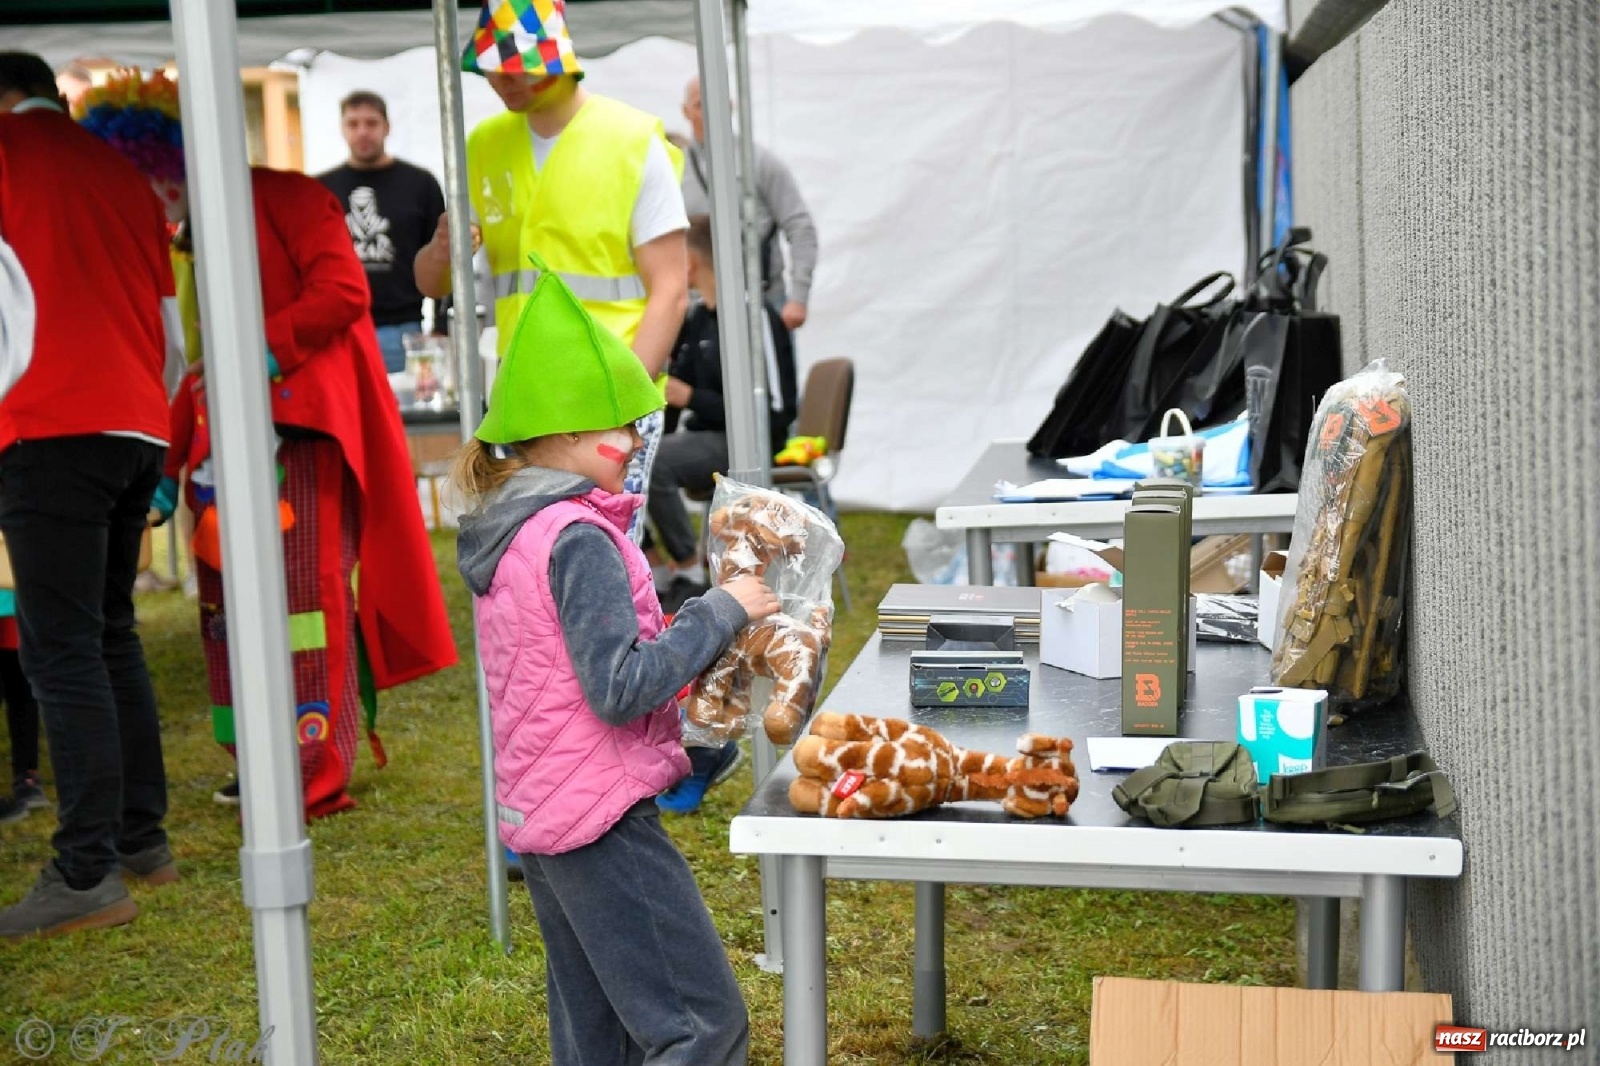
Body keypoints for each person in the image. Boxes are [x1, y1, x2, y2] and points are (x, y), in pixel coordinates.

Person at [79, 69, 458, 821]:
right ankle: (255, 762)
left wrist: (261, 350)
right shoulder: (179, 236)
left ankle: (312, 773)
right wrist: (172, 455)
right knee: (223, 613)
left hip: (299, 440)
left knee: (305, 607)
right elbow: (194, 364)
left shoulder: (289, 197)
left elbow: (343, 292)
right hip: (218, 451)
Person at [454, 255, 768, 1066]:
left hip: (546, 815)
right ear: (562, 431)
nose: (634, 444)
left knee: (601, 1036)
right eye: (621, 426)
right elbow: (618, 687)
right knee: (701, 1026)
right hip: (598, 819)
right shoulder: (577, 538)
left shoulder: (512, 529)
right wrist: (719, 611)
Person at [0, 52, 175, 939]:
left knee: (61, 649)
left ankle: (85, 871)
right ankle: (141, 837)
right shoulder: (121, 171)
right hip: (136, 422)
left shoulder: (7, 153)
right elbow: (168, 324)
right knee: (108, 633)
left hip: (49, 422)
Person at [415, 0, 690, 546]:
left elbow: (672, 290)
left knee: (607, 553)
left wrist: (622, 407)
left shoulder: (631, 139)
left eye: (518, 66)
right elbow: (431, 283)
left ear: (560, 59)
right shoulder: (483, 145)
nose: (502, 79)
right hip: (526, 399)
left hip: (613, 396)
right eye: (491, 68)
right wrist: (443, 249)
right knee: (528, 555)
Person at [649, 214, 797, 606]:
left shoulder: (754, 316)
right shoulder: (695, 318)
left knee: (655, 463)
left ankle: (689, 572)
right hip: (704, 436)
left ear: (691, 263)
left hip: (750, 442)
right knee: (630, 457)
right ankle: (655, 573)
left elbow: (775, 411)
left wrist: (692, 398)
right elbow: (672, 394)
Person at [318, 90, 446, 373]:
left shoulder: (420, 185)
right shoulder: (321, 190)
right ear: (342, 129)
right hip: (340, 330)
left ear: (386, 127)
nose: (363, 131)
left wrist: (441, 327)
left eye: (371, 123)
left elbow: (444, 256)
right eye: (353, 124)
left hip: (404, 330)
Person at [680, 77, 819, 332]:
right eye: (700, 105)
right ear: (685, 112)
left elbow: (800, 226)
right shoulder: (674, 169)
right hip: (698, 309)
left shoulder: (759, 162)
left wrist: (799, 297)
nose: (710, 113)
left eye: (718, 103)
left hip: (763, 300)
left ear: (732, 106)